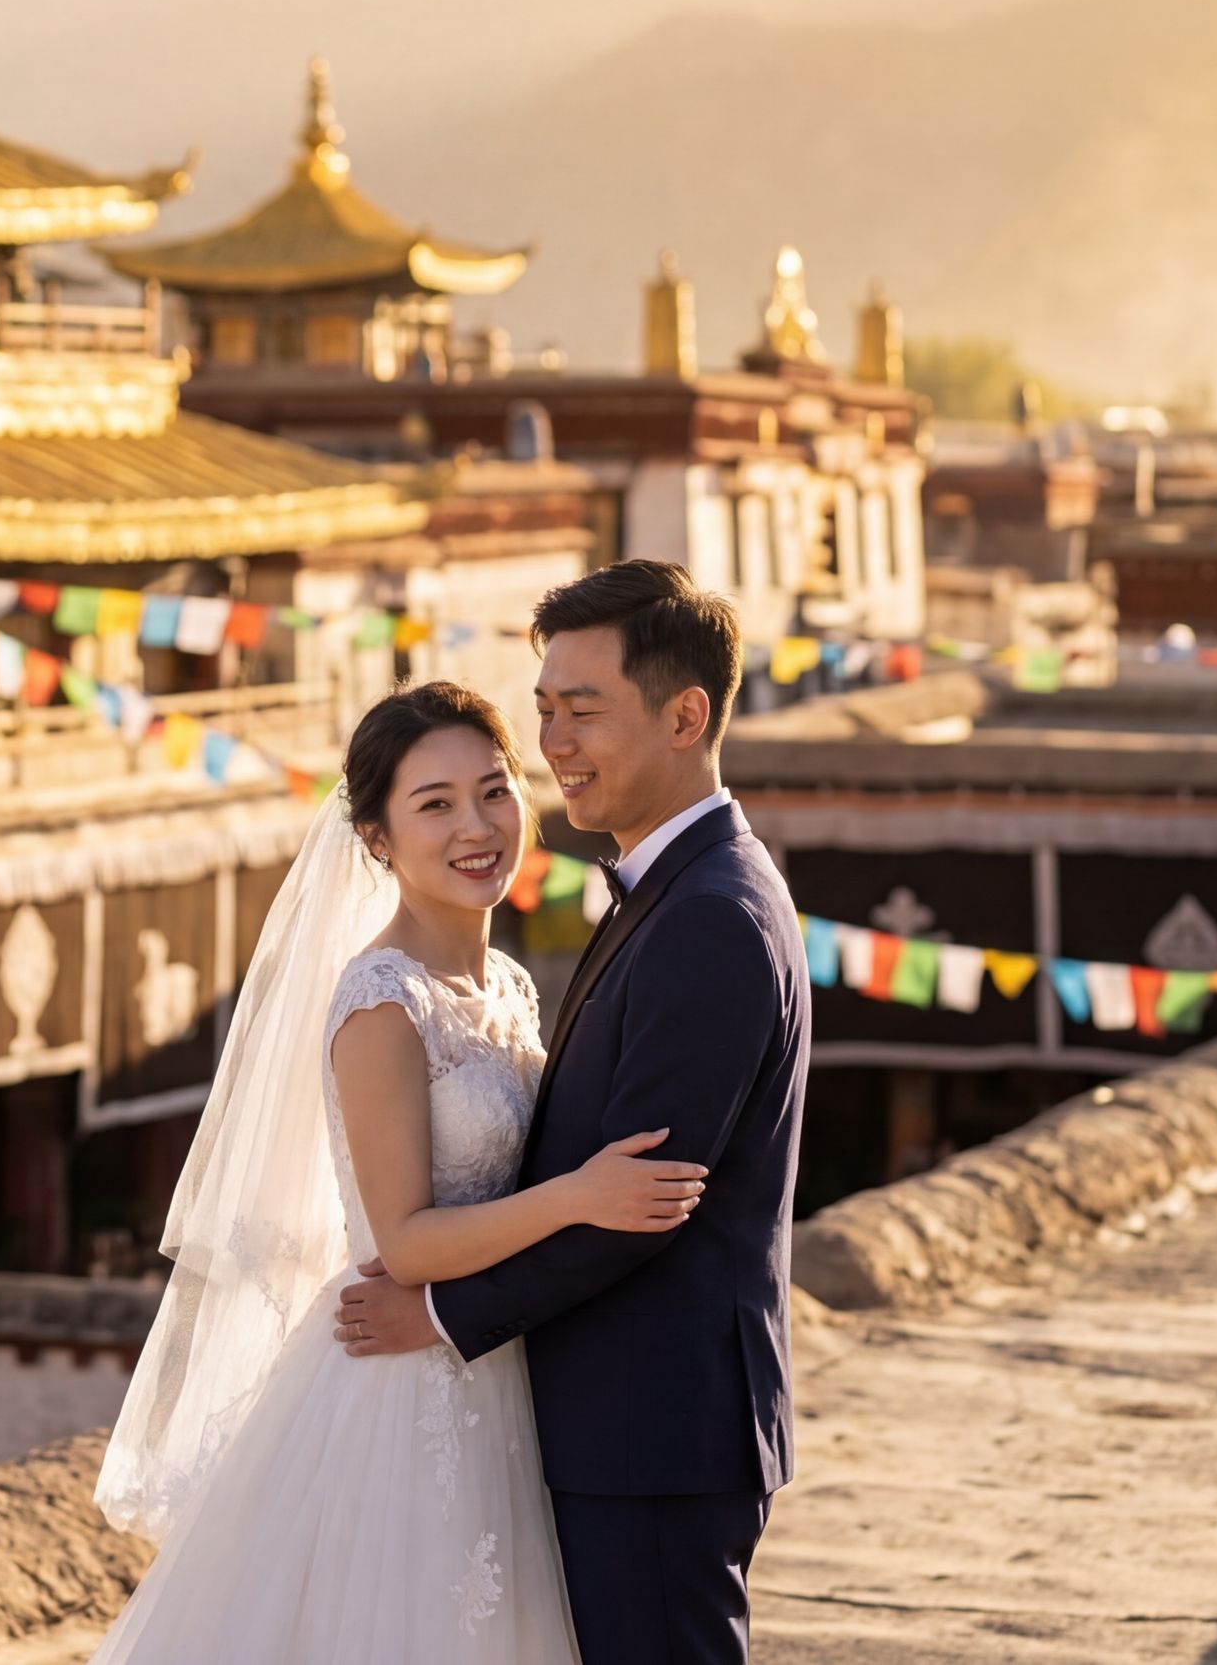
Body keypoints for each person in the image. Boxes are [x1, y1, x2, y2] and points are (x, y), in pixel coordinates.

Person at [90, 677, 707, 1662]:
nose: (478, 825)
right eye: (435, 804)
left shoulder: (504, 982)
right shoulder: (381, 1005)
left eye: (494, 790)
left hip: (500, 1366)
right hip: (400, 1387)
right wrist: (583, 1197)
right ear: (376, 839)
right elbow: (406, 1240)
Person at [335, 560, 811, 1665]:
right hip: (580, 1421)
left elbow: (640, 1209)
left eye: (582, 711)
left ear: (686, 715)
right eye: (543, 711)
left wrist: (446, 1317)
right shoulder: (670, 890)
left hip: (652, 1427)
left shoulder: (709, 916)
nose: (552, 746)